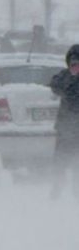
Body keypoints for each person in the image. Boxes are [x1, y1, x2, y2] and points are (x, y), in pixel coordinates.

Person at [50, 45, 79, 198]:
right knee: (60, 162)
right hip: (65, 128)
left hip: (73, 129)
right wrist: (69, 79)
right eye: (73, 64)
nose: (76, 67)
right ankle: (57, 188)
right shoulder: (64, 76)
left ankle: (76, 191)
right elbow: (54, 85)